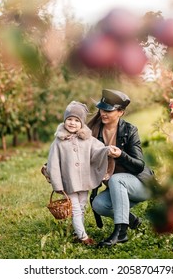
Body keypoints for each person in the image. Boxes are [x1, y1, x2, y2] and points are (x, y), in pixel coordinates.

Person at [87, 89, 154, 247]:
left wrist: (121, 155)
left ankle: (121, 233)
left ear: (120, 112)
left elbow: (139, 165)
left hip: (139, 185)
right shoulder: (94, 132)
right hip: (116, 188)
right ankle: (132, 220)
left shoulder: (130, 131)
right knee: (99, 204)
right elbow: (76, 152)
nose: (103, 113)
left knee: (117, 180)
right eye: (102, 109)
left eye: (108, 110)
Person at [46, 101, 110, 246]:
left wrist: (107, 150)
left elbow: (98, 150)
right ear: (64, 120)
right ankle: (83, 237)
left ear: (82, 123)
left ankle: (76, 232)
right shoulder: (59, 141)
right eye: (69, 119)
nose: (73, 123)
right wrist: (57, 184)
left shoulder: (87, 139)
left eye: (77, 120)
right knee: (75, 208)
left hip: (84, 181)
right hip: (69, 182)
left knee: (81, 207)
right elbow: (53, 164)